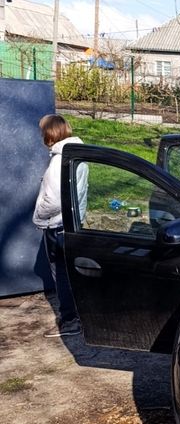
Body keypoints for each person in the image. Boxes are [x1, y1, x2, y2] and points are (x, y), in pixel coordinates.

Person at [33, 114, 88, 338]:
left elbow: (54, 200)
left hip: (57, 225)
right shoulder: (76, 155)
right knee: (70, 273)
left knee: (62, 275)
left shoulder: (59, 160)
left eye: (43, 131)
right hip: (70, 223)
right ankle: (77, 317)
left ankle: (70, 321)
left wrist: (38, 215)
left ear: (50, 133)